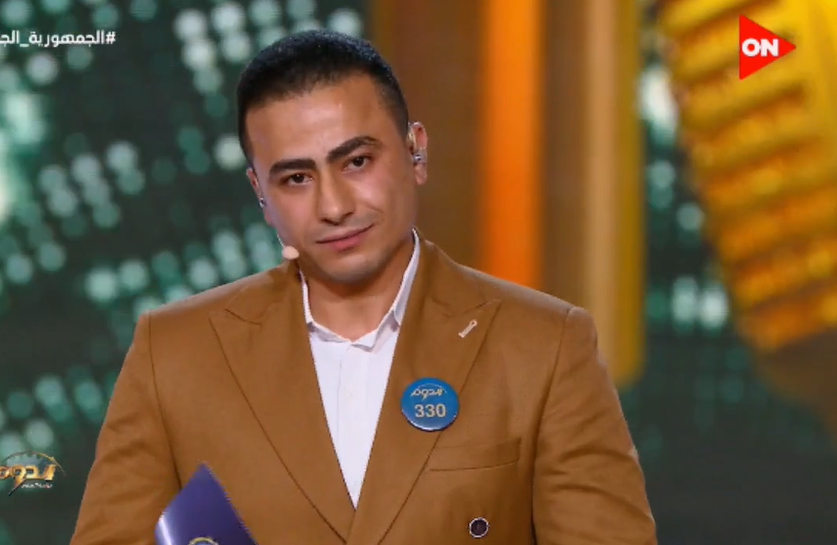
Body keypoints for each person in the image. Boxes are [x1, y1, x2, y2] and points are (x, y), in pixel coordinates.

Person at [70, 29, 657, 544]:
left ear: (416, 151)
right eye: (296, 178)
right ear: (260, 195)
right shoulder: (175, 354)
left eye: (356, 162)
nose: (334, 206)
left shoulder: (545, 346)